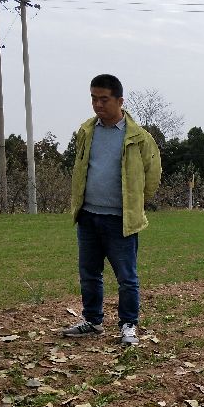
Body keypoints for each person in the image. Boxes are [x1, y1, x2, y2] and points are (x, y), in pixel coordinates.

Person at [62, 74, 161, 345]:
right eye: (93, 99)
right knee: (89, 274)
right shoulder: (86, 131)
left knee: (127, 278)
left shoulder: (139, 138)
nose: (98, 105)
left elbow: (152, 176)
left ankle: (128, 325)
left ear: (120, 101)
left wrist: (134, 203)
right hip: (88, 216)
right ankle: (93, 321)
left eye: (104, 99)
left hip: (120, 220)